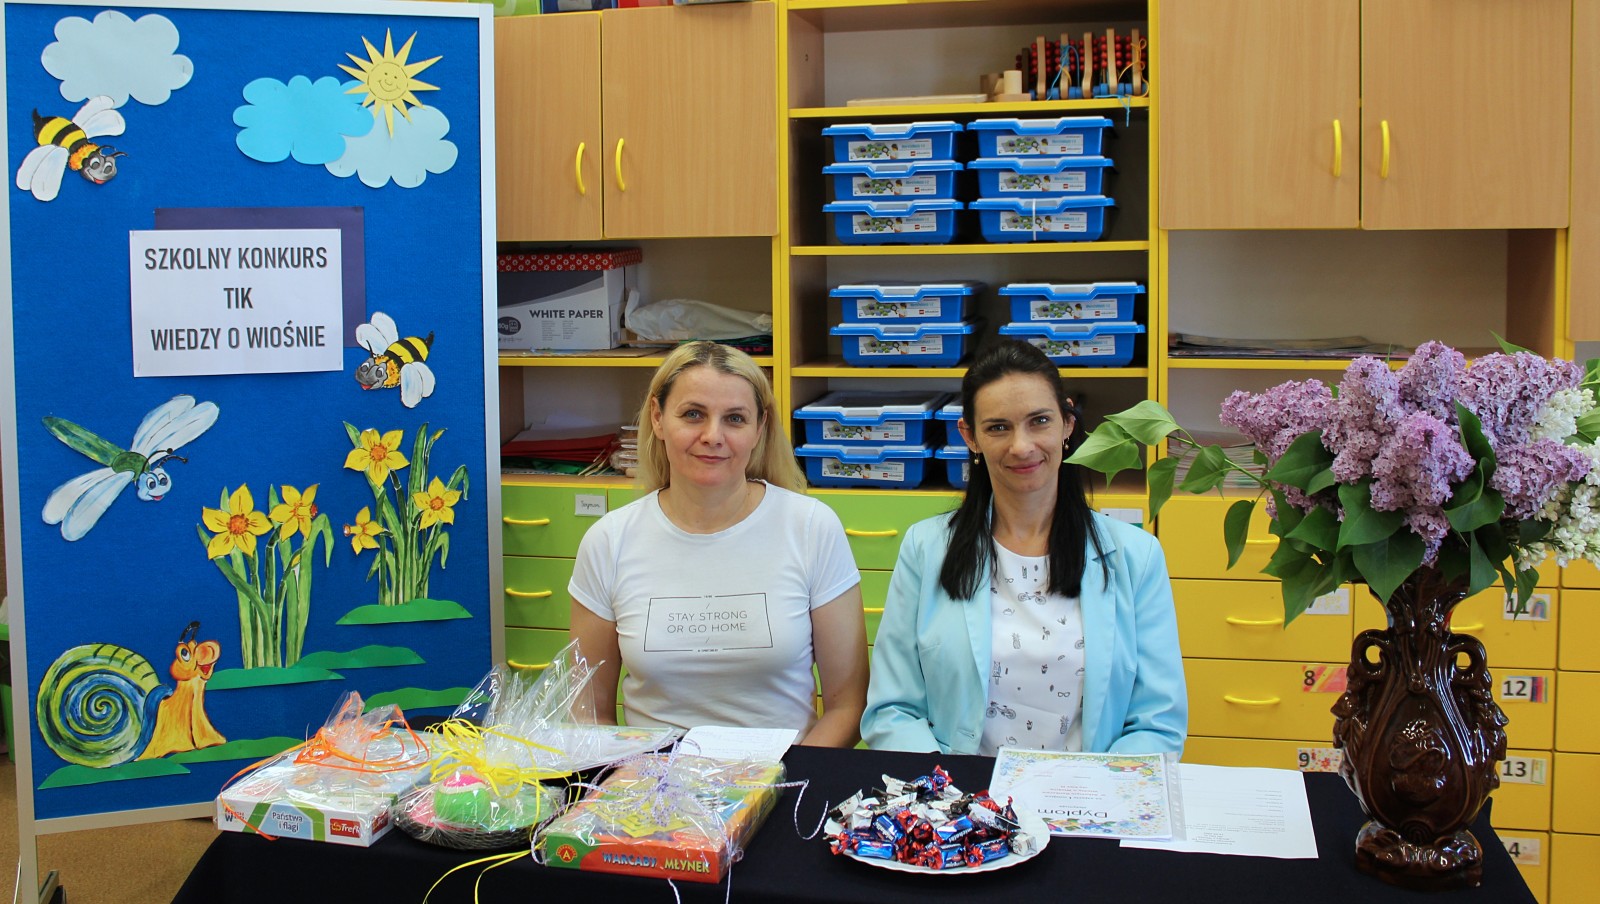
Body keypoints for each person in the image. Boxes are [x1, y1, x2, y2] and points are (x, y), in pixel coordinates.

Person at [861, 340, 1186, 755]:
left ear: (1067, 423)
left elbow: (1157, 724)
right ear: (969, 436)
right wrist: (950, 786)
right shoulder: (925, 549)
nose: (1021, 446)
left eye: (1039, 421)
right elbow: (893, 710)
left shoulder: (1136, 556)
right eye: (998, 427)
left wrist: (1092, 789)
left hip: (1090, 790)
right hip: (961, 790)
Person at [569, 341, 868, 746]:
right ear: (657, 418)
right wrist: (634, 776)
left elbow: (847, 706)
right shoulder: (609, 541)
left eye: (735, 419)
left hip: (785, 774)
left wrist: (776, 779)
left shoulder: (811, 528)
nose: (713, 436)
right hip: (653, 779)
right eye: (693, 414)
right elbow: (587, 711)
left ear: (759, 428)